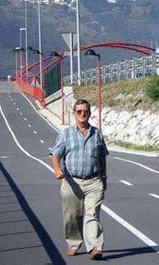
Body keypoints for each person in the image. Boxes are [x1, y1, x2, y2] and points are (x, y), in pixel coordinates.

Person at [51, 99, 109, 261]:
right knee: (72, 216)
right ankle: (74, 243)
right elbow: (55, 154)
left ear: (90, 114)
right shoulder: (66, 134)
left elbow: (102, 157)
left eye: (86, 111)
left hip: (94, 181)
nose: (83, 114)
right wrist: (57, 169)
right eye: (79, 111)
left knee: (92, 214)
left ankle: (95, 247)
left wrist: (104, 177)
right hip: (72, 182)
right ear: (74, 114)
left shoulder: (97, 133)